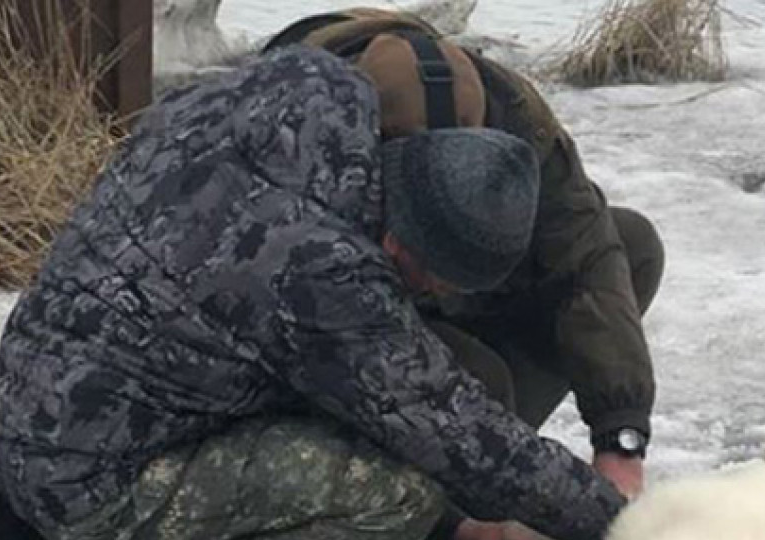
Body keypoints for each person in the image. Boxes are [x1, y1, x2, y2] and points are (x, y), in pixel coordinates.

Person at [0, 45, 633, 540]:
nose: (426, 298)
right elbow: (467, 442)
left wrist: (459, 532)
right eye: (433, 282)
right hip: (97, 479)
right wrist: (631, 535)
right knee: (398, 495)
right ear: (404, 242)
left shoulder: (311, 88)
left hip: (43, 404)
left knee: (323, 414)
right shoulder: (322, 274)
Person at [262, 9, 665, 496]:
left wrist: (620, 438)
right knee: (475, 377)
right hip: (330, 349)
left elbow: (585, 255)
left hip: (434, 293)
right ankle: (424, 505)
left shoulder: (512, 114)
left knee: (631, 242)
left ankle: (490, 471)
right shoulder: (301, 145)